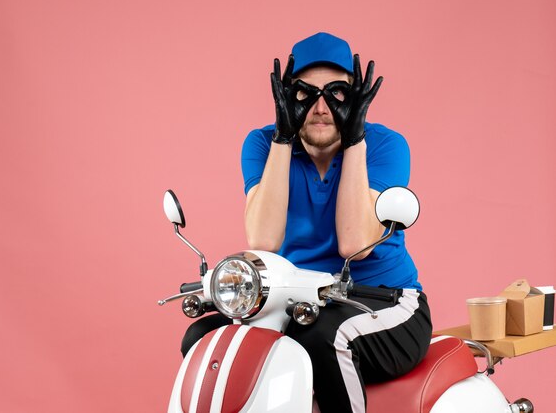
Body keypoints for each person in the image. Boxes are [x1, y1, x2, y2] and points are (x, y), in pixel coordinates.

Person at [182, 32, 432, 413]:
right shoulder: (264, 143)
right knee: (202, 337)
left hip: (383, 301)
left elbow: (353, 243)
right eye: (304, 93)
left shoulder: (384, 144)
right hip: (295, 300)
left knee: (320, 337)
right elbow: (263, 240)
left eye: (336, 94)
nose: (320, 107)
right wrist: (284, 137)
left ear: (356, 99)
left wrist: (355, 140)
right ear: (286, 97)